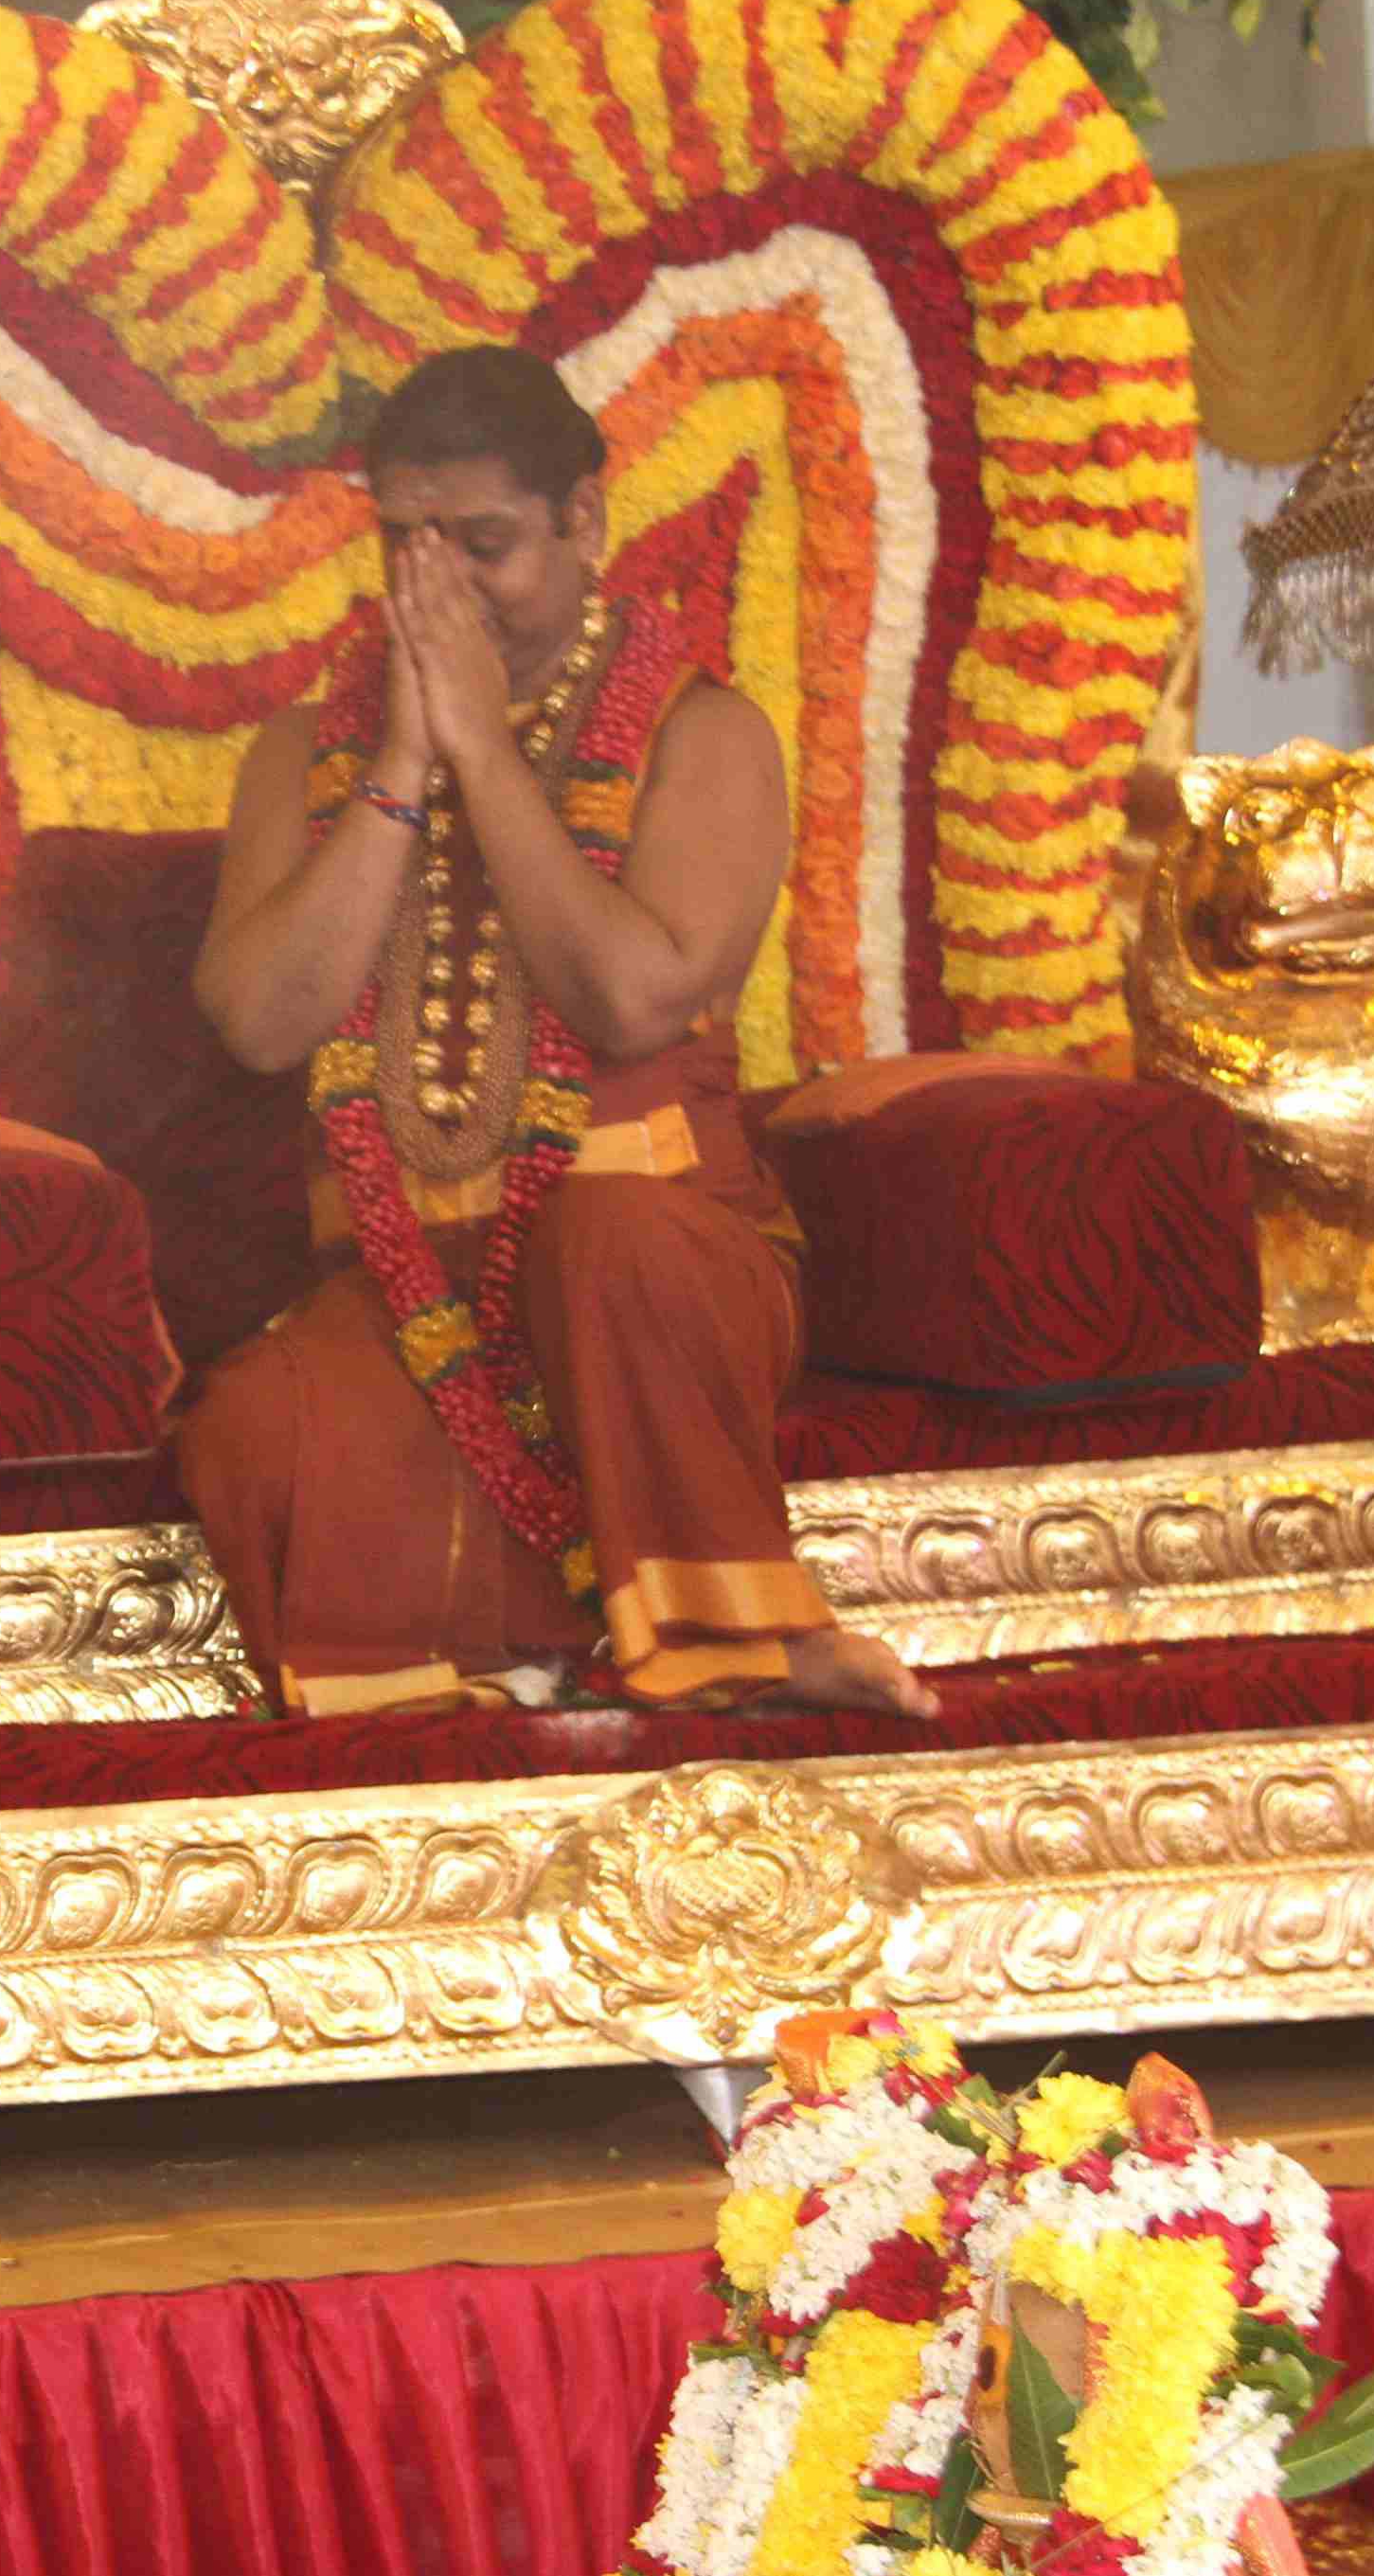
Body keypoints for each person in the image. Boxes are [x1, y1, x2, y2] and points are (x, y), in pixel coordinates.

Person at [175, 345, 932, 1722]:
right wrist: (403, 769)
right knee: (256, 1431)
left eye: (483, 545)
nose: (442, 587)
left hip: (660, 1267)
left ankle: (749, 1647)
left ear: (584, 520)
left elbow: (632, 999)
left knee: (605, 1242)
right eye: (406, 547)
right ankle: (511, 1677)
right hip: (407, 1283)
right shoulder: (307, 752)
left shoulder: (704, 734)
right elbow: (259, 1023)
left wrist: (483, 753)